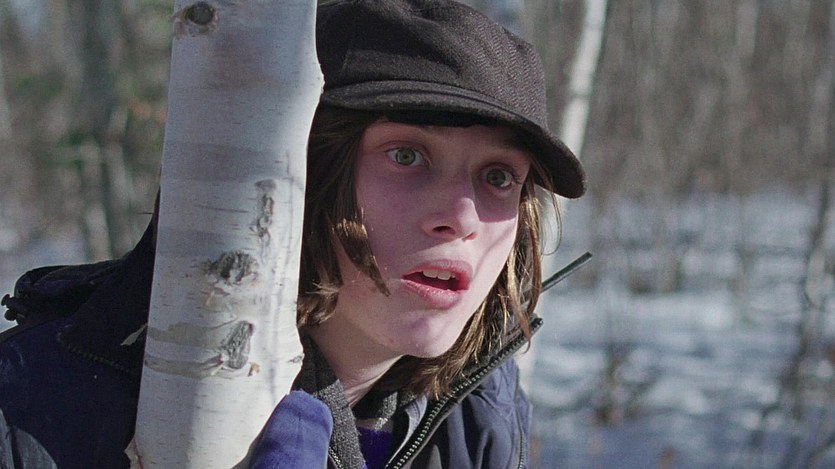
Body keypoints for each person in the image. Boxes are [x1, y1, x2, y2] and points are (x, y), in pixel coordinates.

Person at [0, 0, 586, 467]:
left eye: (498, 176)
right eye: (406, 155)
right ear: (299, 170)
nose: (462, 217)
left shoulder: (481, 412)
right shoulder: (31, 404)